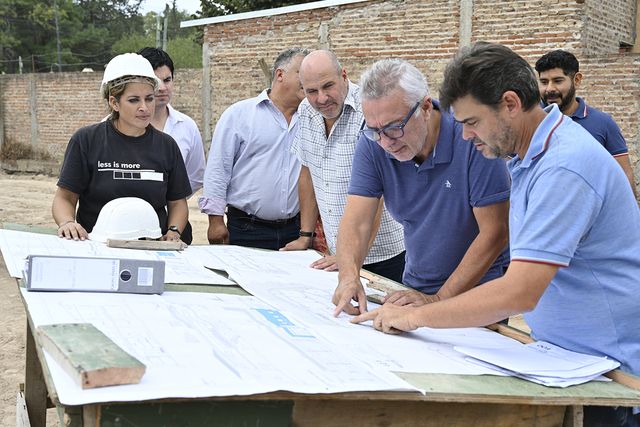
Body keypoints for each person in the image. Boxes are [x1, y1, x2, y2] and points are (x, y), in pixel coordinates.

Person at [355, 42, 640, 426]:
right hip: (565, 360)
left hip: (610, 377)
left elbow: (519, 290)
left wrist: (420, 317)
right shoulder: (530, 156)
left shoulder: (563, 167)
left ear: (509, 104)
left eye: (471, 122)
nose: (466, 136)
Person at [333, 58, 511, 316]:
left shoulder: (472, 139)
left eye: (395, 128)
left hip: (479, 295)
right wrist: (348, 276)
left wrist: (438, 301)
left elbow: (495, 232)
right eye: (375, 130)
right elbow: (356, 220)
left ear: (426, 107)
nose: (386, 142)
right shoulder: (373, 142)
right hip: (417, 284)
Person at [281, 50, 406, 282]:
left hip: (384, 255)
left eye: (328, 86)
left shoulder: (370, 111)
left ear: (344, 76)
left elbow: (377, 195)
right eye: (311, 91)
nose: (321, 98)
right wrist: (305, 236)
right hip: (336, 254)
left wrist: (351, 258)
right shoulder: (306, 111)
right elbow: (308, 173)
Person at [52, 53, 192, 243]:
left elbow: (177, 203)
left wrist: (174, 231)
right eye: (134, 100)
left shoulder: (167, 146)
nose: (144, 107)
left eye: (149, 99)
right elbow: (65, 198)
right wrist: (67, 222)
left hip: (152, 248)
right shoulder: (86, 140)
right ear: (114, 102)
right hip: (97, 247)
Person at [199, 48, 309, 250]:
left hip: (294, 231)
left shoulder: (313, 121)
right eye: (302, 73)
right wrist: (215, 222)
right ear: (280, 75)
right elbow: (218, 169)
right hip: (246, 229)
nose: (309, 81)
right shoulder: (239, 114)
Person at [535, 49, 636, 197]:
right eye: (544, 82)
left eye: (557, 81)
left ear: (577, 80)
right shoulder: (529, 122)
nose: (550, 89)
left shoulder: (603, 123)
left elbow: (624, 177)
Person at [139, 47, 207, 244]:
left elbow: (195, 176)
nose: (162, 88)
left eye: (167, 80)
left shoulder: (187, 126)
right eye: (155, 81)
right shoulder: (109, 127)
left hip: (174, 227)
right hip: (128, 225)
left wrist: (170, 200)